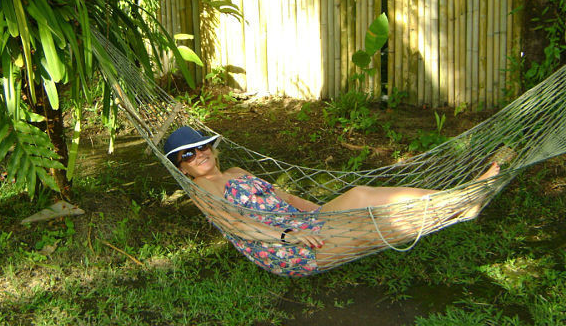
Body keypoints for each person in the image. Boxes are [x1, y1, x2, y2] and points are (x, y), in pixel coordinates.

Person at [164, 126, 500, 277]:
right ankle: (458, 207)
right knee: (371, 226)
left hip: (304, 223)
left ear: (211, 148)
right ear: (182, 168)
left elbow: (286, 196)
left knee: (359, 196)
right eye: (187, 155)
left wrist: (322, 213)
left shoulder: (236, 171)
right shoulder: (202, 189)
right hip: (284, 248)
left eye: (201, 146)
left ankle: (458, 199)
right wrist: (288, 236)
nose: (198, 155)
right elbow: (238, 225)